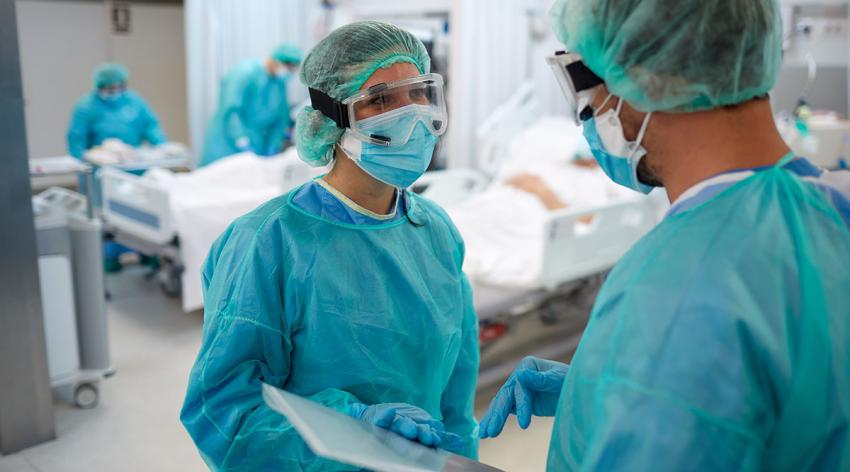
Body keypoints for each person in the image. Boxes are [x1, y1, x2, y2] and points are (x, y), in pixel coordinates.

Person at [479, 0, 850, 470]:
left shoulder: (677, 289)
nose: (588, 110)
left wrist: (647, 380)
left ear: (649, 77)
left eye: (583, 79)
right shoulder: (835, 203)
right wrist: (601, 386)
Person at [181, 21, 479, 470]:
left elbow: (455, 385)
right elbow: (225, 411)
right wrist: (353, 424)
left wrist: (458, 459)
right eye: (380, 100)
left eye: (418, 93)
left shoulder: (435, 230)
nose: (412, 114)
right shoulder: (267, 243)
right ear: (331, 118)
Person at [199, 43, 303, 167]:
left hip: (256, 145)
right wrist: (240, 138)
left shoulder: (279, 83)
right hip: (226, 144)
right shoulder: (244, 73)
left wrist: (273, 144)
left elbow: (281, 117)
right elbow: (231, 110)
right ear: (275, 60)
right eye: (288, 67)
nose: (289, 72)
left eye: (293, 69)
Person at [67, 63, 166, 159]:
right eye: (110, 89)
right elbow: (76, 138)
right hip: (101, 167)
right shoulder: (86, 106)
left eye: (118, 87)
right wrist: (85, 156)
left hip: (133, 162)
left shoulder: (134, 101)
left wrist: (162, 146)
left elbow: (151, 126)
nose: (114, 92)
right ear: (100, 86)